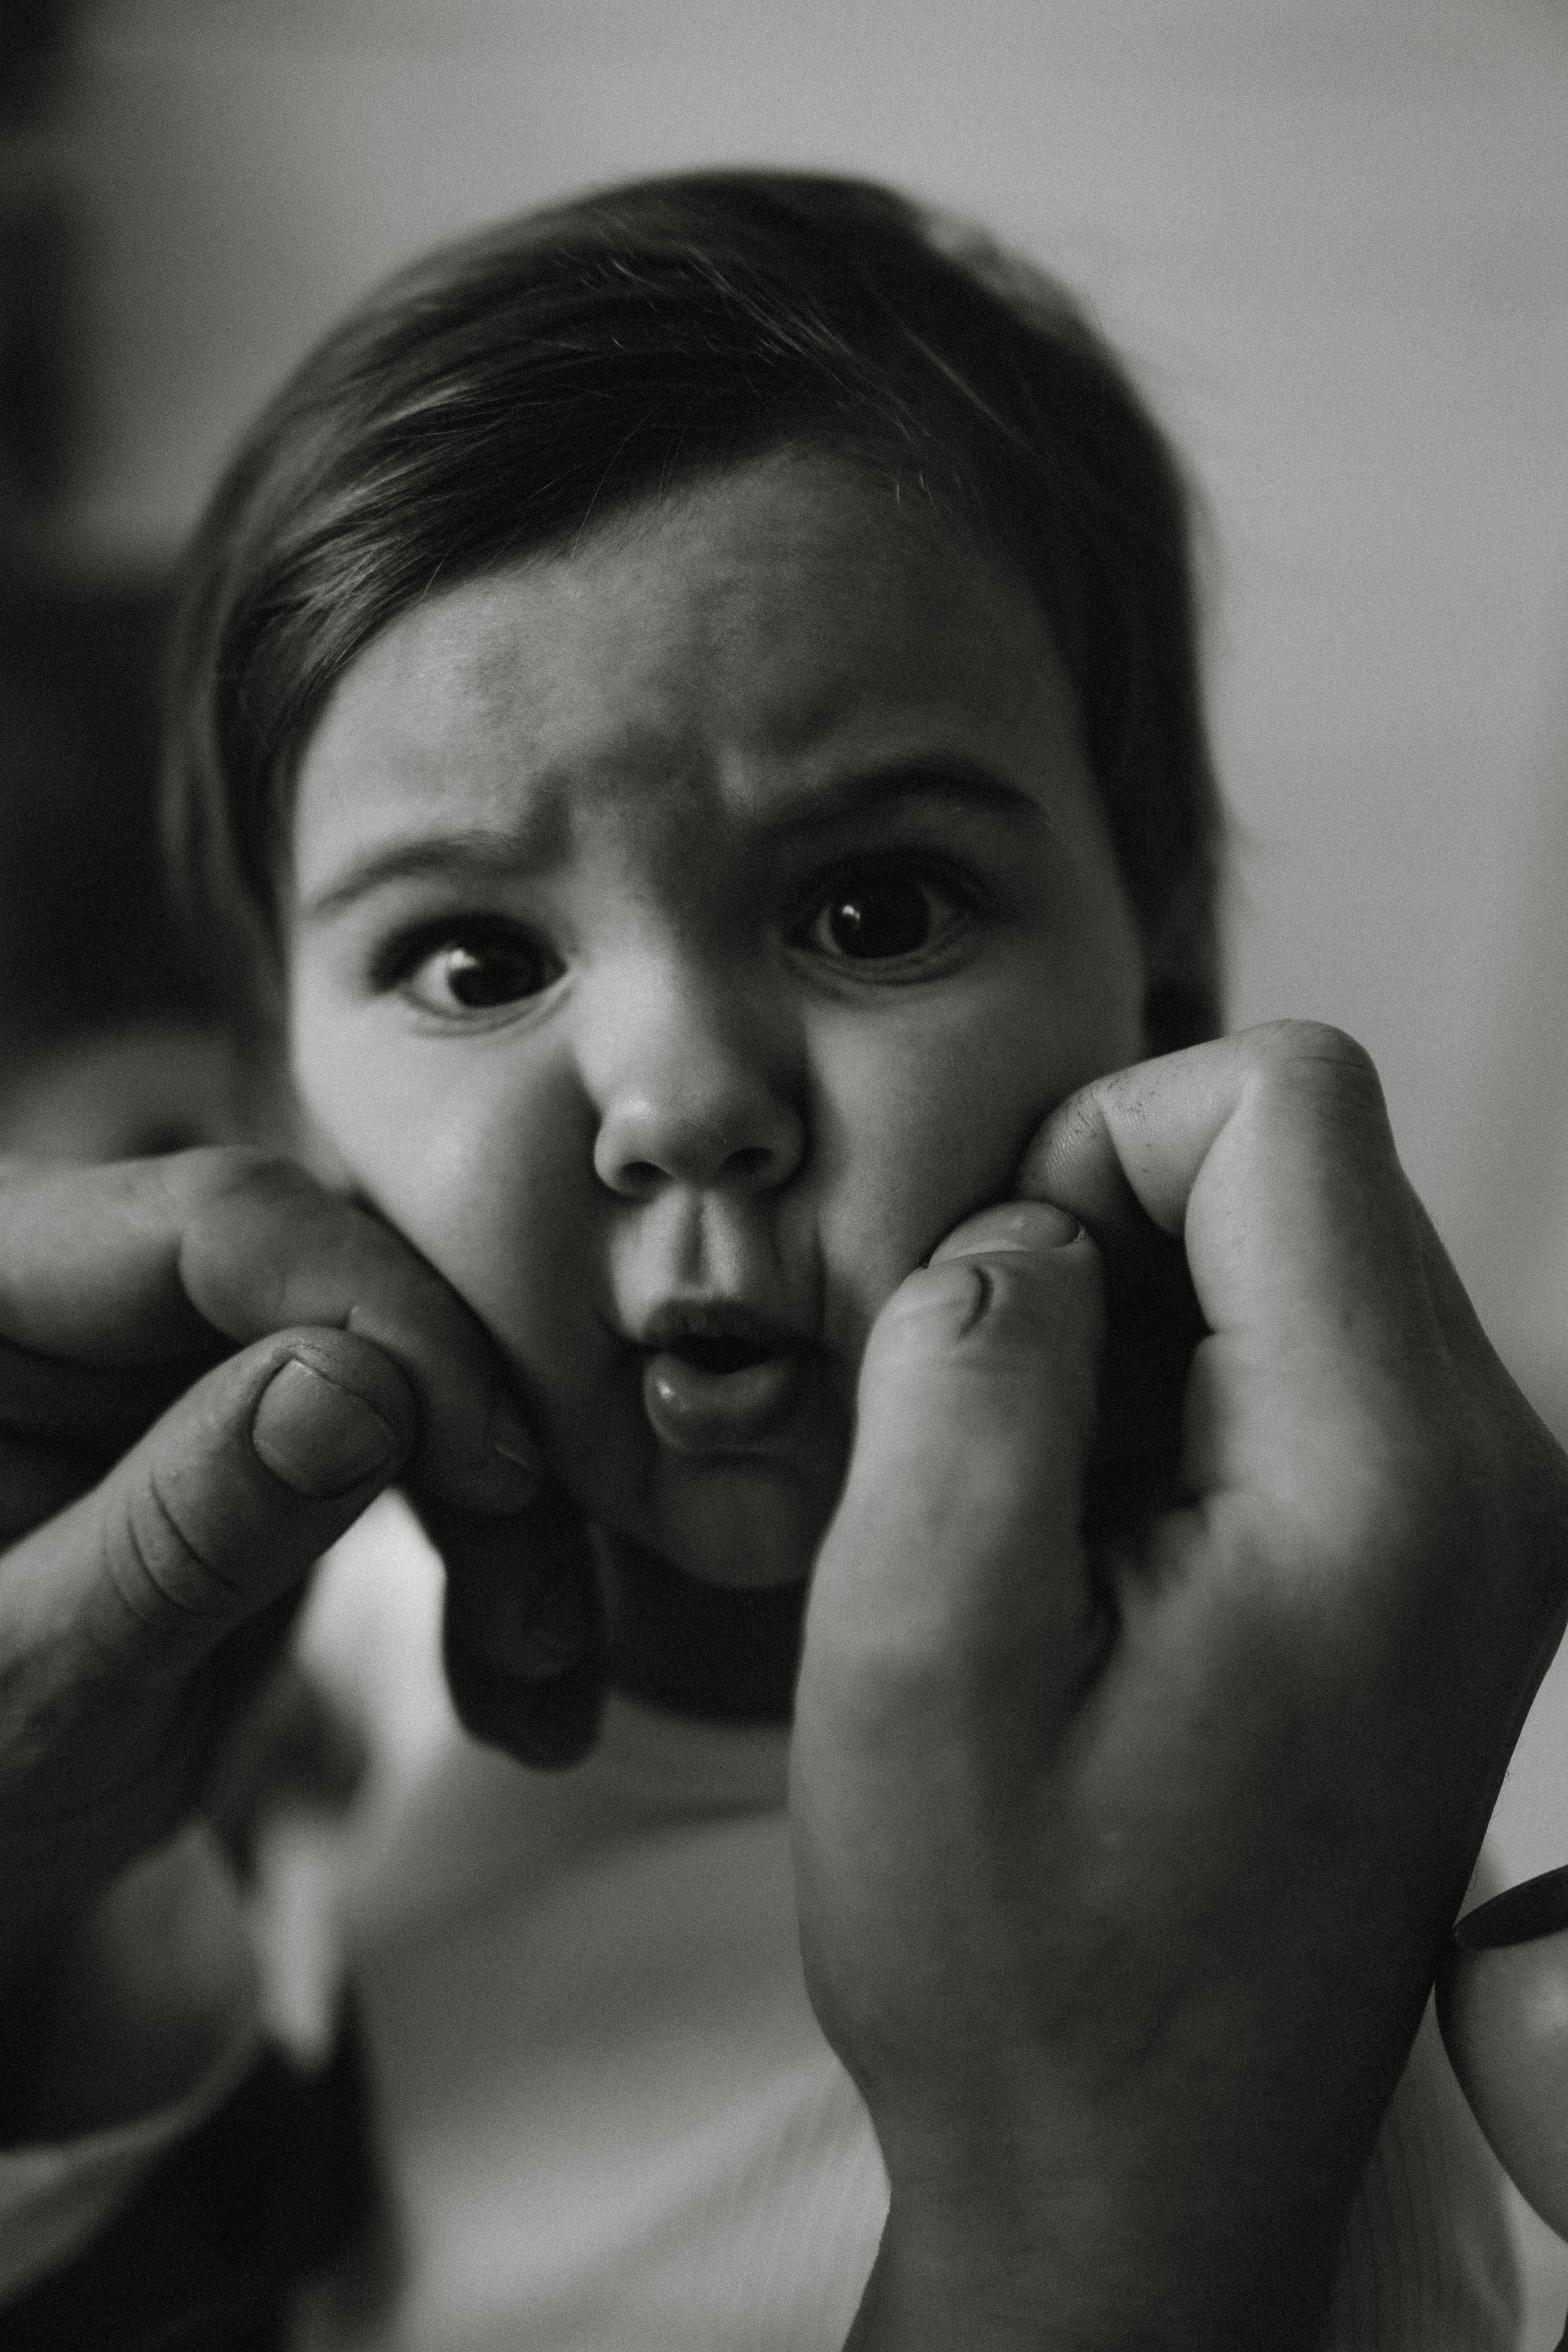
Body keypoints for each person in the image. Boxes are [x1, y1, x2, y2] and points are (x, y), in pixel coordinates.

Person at [1, 172, 1563, 2349]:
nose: (684, 1100)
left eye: (875, 910)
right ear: (272, 1109)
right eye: (472, 956)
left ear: (1167, 988)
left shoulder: (1277, 1849)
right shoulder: (309, 1633)